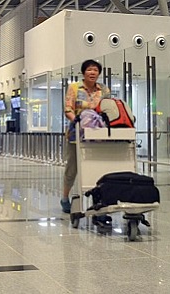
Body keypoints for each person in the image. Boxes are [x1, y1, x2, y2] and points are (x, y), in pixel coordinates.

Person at [62, 59, 110, 214]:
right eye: (89, 70)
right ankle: (65, 197)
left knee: (97, 166)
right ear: (83, 72)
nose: (92, 73)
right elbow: (68, 108)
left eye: (95, 70)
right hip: (76, 134)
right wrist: (76, 120)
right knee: (73, 167)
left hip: (97, 135)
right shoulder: (74, 87)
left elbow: (108, 108)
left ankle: (98, 198)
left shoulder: (103, 90)